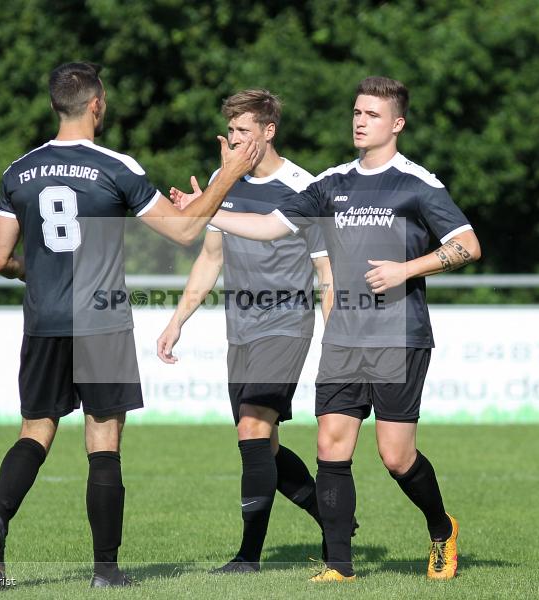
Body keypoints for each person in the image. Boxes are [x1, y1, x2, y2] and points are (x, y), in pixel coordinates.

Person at [0, 61, 260, 590]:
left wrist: (36, 271)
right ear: (96, 104)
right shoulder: (115, 167)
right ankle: (106, 571)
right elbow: (184, 230)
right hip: (101, 321)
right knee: (103, 443)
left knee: (35, 431)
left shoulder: (19, 171)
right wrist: (229, 175)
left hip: (45, 321)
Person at [199, 76, 481, 581]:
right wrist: (210, 210)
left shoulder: (418, 183)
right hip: (344, 338)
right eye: (356, 112)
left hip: (400, 336)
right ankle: (339, 566)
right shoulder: (331, 184)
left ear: (396, 124)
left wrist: (406, 269)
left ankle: (441, 530)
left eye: (371, 114)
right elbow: (267, 227)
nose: (359, 121)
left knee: (396, 457)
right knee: (330, 444)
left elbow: (467, 244)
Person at [156, 90, 335, 573]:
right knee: (265, 446)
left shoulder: (305, 188)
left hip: (286, 325)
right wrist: (177, 320)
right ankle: (334, 519)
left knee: (252, 428)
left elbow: (326, 273)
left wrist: (334, 335)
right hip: (241, 329)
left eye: (243, 130)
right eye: (230, 130)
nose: (234, 139)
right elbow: (210, 256)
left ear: (268, 131)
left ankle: (247, 558)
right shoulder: (221, 179)